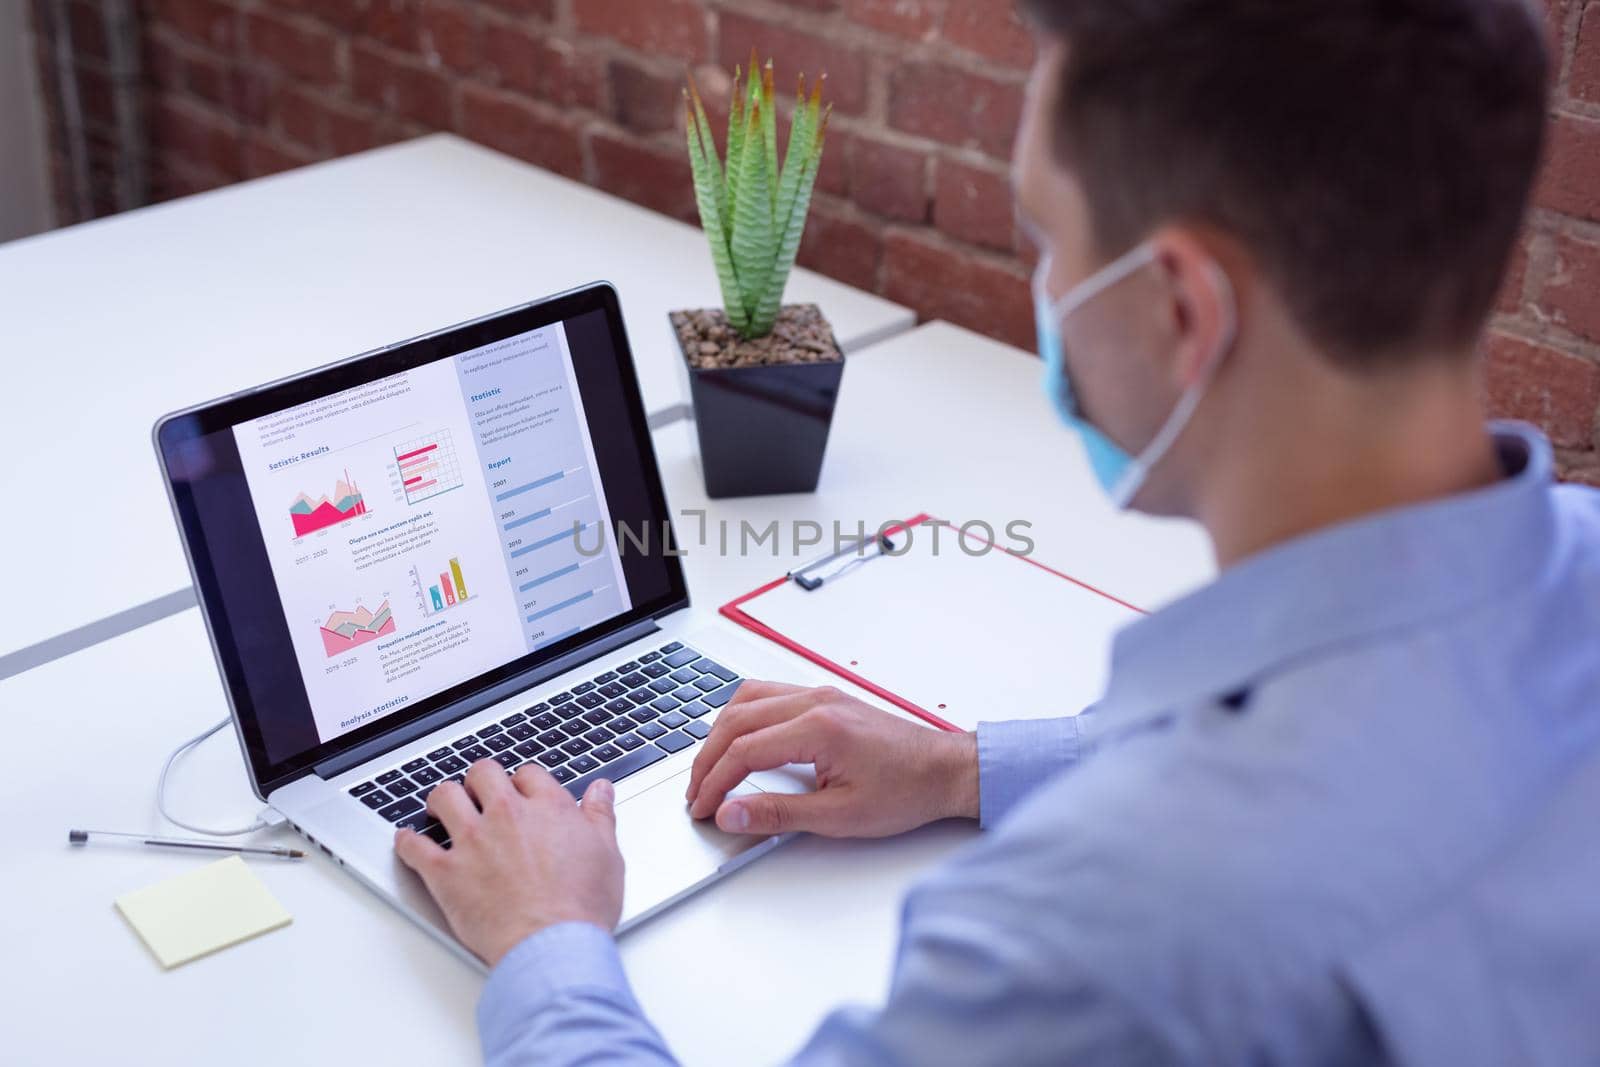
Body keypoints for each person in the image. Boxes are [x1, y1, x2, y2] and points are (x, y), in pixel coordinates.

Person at [394, 0, 1600, 1062]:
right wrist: (962, 766)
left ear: (1182, 310)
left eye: (1045, 237)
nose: (1048, 284)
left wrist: (547, 943)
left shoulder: (1090, 937)